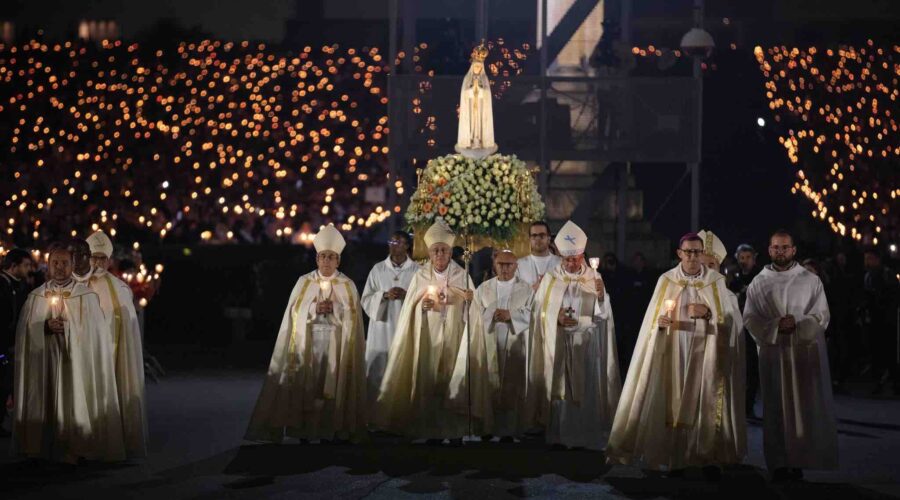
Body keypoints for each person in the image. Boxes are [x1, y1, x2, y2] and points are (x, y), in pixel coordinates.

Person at [606, 232, 742, 480]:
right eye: (688, 251)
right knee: (673, 401)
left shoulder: (715, 281)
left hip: (706, 351)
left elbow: (731, 319)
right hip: (673, 349)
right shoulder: (666, 280)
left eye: (697, 252)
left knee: (703, 401)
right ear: (679, 254)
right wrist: (659, 323)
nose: (692, 256)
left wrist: (709, 313)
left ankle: (706, 456)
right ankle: (673, 457)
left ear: (703, 254)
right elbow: (652, 320)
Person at [245, 225, 367, 443]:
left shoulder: (347, 285)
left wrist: (336, 310)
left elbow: (353, 317)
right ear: (316, 259)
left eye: (331, 257)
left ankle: (331, 429)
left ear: (338, 260)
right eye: (323, 257)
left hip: (335, 344)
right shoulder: (304, 282)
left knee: (331, 384)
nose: (327, 261)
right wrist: (313, 309)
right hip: (308, 342)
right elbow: (294, 312)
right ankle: (304, 431)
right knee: (308, 385)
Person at [13, 242, 125, 463]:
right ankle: (41, 448)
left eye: (65, 262)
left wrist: (71, 328)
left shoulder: (87, 297)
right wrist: (44, 327)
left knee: (75, 398)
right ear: (47, 265)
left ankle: (77, 448)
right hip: (45, 362)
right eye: (55, 263)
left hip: (75, 364)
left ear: (73, 264)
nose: (60, 267)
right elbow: (24, 334)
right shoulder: (36, 297)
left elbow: (95, 336)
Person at [744, 229, 837, 482]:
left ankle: (798, 460)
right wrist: (775, 327)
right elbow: (750, 318)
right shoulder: (758, 282)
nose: (780, 252)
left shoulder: (810, 280)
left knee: (801, 408)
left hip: (802, 353)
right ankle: (777, 463)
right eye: (776, 247)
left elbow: (821, 316)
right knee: (774, 408)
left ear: (794, 250)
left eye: (785, 247)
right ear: (769, 250)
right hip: (773, 353)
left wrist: (797, 324)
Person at [375, 221, 474, 444]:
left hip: (454, 336)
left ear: (450, 252)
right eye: (435, 250)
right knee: (428, 381)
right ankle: (430, 431)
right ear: (429, 252)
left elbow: (473, 311)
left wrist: (468, 302)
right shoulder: (420, 276)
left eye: (444, 250)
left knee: (452, 380)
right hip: (427, 336)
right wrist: (422, 307)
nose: (439, 254)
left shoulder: (463, 275)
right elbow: (410, 307)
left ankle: (455, 431)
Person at [528, 221, 620, 450]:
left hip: (585, 341)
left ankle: (584, 436)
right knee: (561, 388)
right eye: (567, 259)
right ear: (559, 254)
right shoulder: (551, 278)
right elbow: (538, 310)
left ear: (582, 255)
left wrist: (600, 297)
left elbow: (604, 315)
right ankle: (559, 437)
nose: (571, 263)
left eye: (576, 258)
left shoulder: (593, 278)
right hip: (559, 341)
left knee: (585, 389)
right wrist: (555, 317)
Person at [448, 249, 533, 441]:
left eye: (509, 264)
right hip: (489, 339)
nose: (505, 268)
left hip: (515, 342)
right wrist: (490, 315)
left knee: (512, 385)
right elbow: (473, 313)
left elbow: (533, 313)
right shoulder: (483, 288)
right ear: (494, 266)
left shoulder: (526, 289)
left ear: (516, 266)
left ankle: (509, 432)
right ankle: (486, 427)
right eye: (501, 264)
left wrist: (511, 315)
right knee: (488, 383)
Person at [81, 231, 149, 458]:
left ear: (110, 260)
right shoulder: (76, 284)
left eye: (102, 258)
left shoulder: (119, 288)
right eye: (93, 257)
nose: (97, 263)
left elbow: (126, 321)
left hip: (111, 350)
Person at [360, 231, 418, 411]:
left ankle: (401, 418)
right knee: (378, 373)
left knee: (404, 373)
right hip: (382, 329)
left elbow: (424, 298)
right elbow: (366, 299)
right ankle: (375, 419)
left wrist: (407, 296)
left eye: (398, 241)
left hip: (405, 328)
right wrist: (384, 295)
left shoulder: (418, 271)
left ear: (407, 246)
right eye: (391, 240)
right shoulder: (378, 269)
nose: (393, 244)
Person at [1, 248, 33, 436]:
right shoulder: (3, 285)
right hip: (4, 343)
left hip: (11, 342)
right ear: (14, 266)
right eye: (26, 265)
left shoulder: (17, 285)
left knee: (7, 382)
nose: (29, 269)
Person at [729, 243, 762, 418]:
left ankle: (748, 406)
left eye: (748, 257)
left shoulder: (760, 278)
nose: (744, 261)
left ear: (754, 258)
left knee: (752, 369)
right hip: (737, 326)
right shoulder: (734, 278)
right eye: (741, 257)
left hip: (754, 329)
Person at [861, 249, 899, 395]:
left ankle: (895, 383)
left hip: (886, 320)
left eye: (870, 258)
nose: (867, 262)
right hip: (874, 320)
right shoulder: (868, 276)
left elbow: (892, 296)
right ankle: (878, 383)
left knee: (889, 352)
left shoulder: (886, 274)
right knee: (876, 353)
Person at [516, 221, 561, 291]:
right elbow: (515, 294)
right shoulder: (519, 264)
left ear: (549, 239)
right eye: (534, 236)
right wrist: (533, 289)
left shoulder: (560, 263)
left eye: (542, 235)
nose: (538, 239)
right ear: (530, 239)